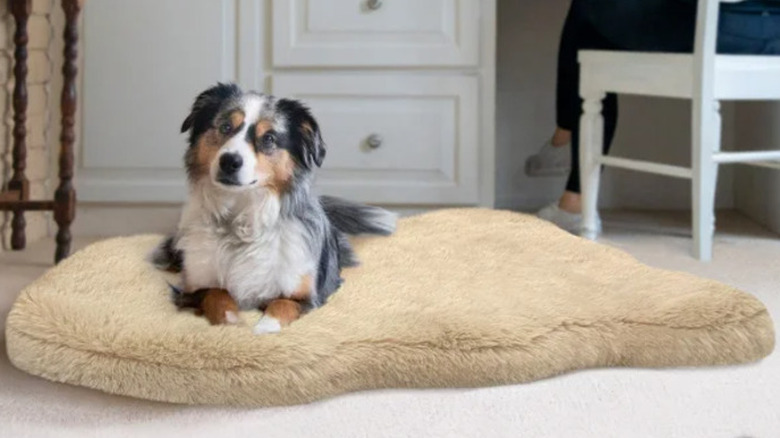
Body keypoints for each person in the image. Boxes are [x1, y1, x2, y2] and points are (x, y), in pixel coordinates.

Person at [525, 0, 780, 234]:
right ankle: (571, 187)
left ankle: (566, 149)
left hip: (725, 26)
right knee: (589, 20)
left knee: (587, 11)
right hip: (769, 29)